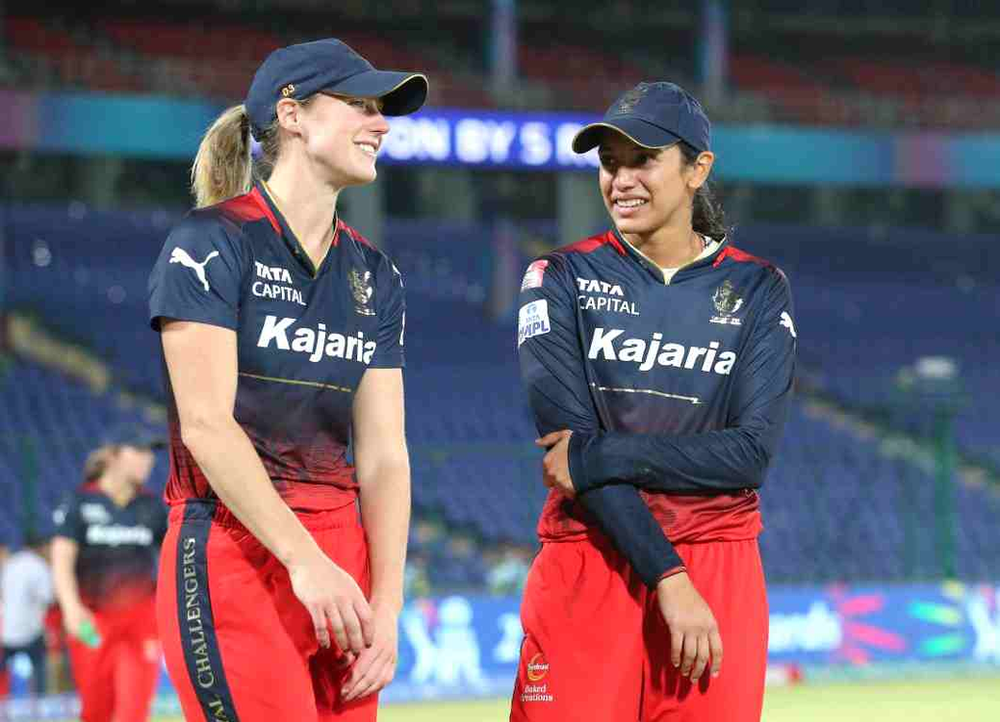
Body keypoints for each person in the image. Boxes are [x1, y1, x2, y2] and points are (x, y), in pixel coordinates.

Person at [147, 38, 424, 722]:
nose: (381, 123)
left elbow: (387, 455)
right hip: (235, 550)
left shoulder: (376, 277)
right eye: (361, 105)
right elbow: (208, 425)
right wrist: (305, 562)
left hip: (344, 568)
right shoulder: (211, 242)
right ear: (293, 115)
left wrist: (386, 604)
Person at [512, 81, 797, 721]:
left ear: (698, 169)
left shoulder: (758, 288)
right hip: (591, 556)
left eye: (644, 159)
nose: (621, 179)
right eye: (609, 162)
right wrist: (669, 575)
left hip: (720, 563)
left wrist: (601, 453)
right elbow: (568, 456)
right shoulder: (558, 278)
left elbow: (749, 456)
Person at [51, 426, 168, 722]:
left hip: (142, 625)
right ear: (114, 455)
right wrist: (70, 607)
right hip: (93, 624)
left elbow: (170, 560)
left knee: (134, 711)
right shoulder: (80, 503)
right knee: (96, 711)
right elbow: (62, 558)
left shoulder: (153, 507)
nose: (148, 460)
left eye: (150, 454)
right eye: (139, 451)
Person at [0, 531, 54, 696]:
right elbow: (49, 598)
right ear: (41, 547)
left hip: (6, 633)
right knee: (40, 672)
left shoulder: (10, 564)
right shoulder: (39, 565)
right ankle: (40, 700)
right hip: (30, 633)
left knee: (5, 675)